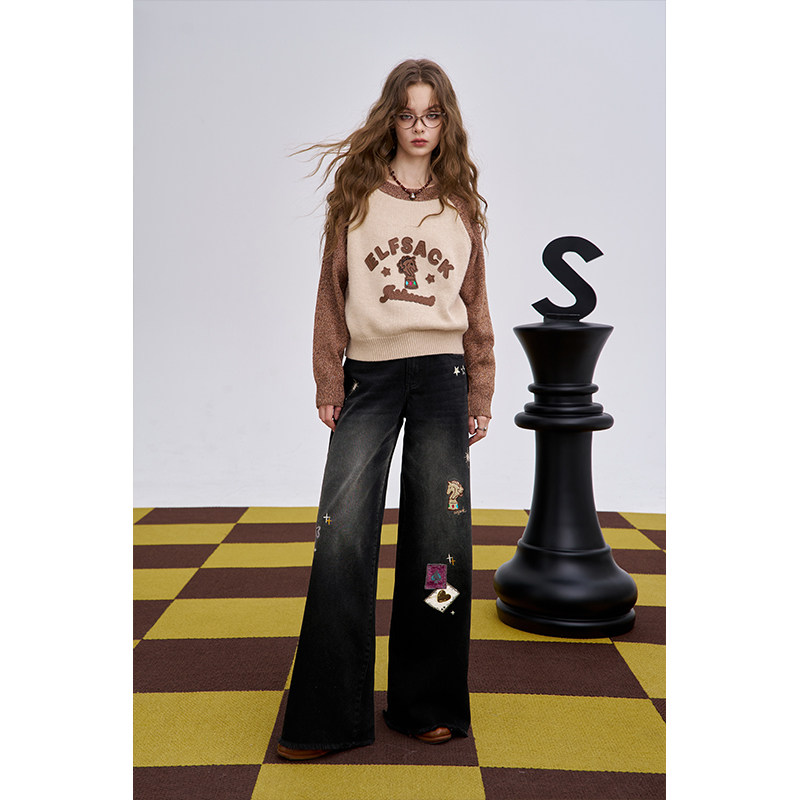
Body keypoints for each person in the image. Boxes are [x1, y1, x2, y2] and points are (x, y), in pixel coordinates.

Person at [277, 58, 495, 761]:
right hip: (368, 378)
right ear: (391, 119)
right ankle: (328, 715)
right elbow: (330, 293)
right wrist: (328, 379)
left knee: (439, 546)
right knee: (341, 537)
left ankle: (426, 702)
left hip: (442, 379)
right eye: (407, 114)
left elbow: (476, 304)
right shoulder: (357, 196)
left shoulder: (459, 204)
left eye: (431, 115)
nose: (419, 127)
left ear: (446, 121)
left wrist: (481, 390)